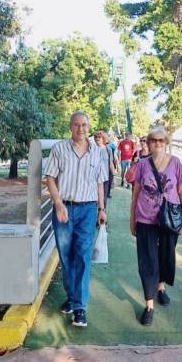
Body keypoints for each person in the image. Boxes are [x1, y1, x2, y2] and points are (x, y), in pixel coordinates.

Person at [45, 111, 107, 328]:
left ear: (89, 127)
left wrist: (102, 209)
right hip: (64, 210)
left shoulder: (98, 153)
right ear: (70, 127)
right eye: (77, 125)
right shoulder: (59, 149)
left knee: (82, 256)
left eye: (84, 125)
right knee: (66, 256)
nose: (81, 129)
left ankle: (80, 308)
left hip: (88, 209)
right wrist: (58, 203)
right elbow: (50, 178)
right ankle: (72, 297)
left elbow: (100, 183)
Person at [130, 127, 182, 326]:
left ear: (166, 142)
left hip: (169, 219)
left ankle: (161, 287)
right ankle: (149, 304)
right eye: (153, 140)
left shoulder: (176, 163)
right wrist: (132, 219)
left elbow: (181, 190)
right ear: (148, 142)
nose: (157, 143)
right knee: (147, 260)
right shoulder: (143, 165)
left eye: (161, 140)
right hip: (146, 218)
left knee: (165, 255)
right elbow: (135, 193)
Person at [94, 131, 115, 209]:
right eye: (95, 137)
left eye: (99, 137)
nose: (97, 139)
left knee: (104, 199)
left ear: (103, 138)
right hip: (94, 178)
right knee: (94, 199)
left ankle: (103, 216)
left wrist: (114, 177)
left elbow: (111, 164)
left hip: (105, 178)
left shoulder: (108, 149)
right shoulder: (91, 149)